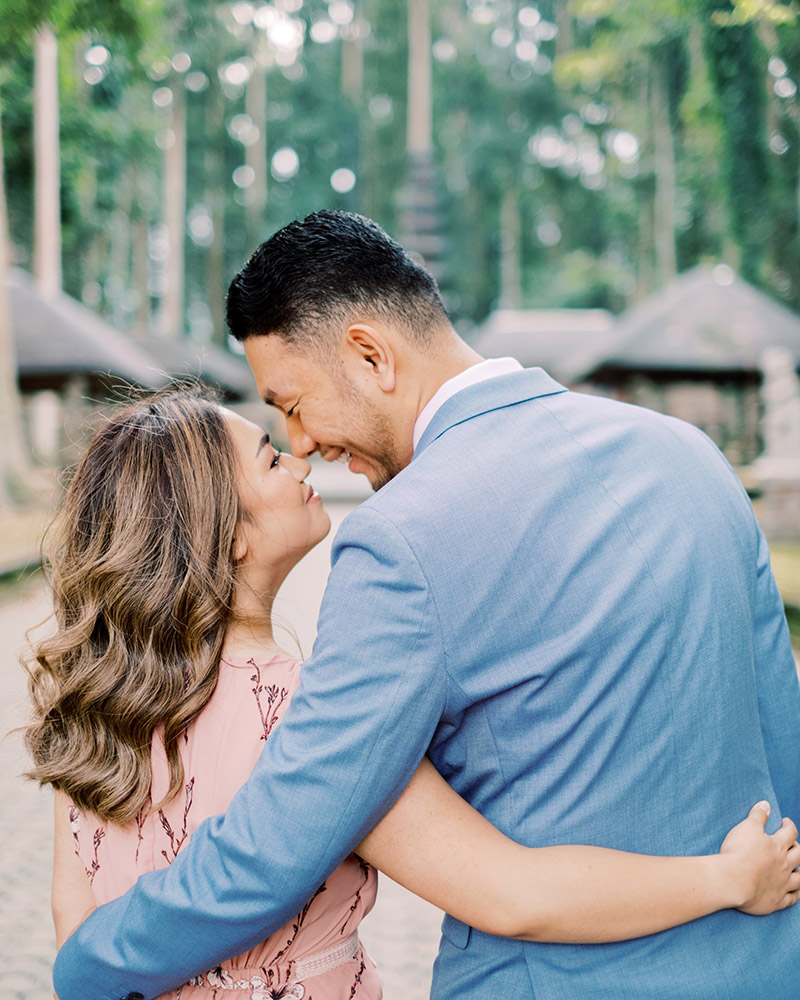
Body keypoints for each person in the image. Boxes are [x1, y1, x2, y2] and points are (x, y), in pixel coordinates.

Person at [50, 212, 800, 1000]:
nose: (299, 442)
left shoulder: (399, 538)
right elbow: (780, 731)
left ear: (371, 356)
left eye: (294, 405)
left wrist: (87, 964)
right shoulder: (688, 455)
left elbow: (278, 842)